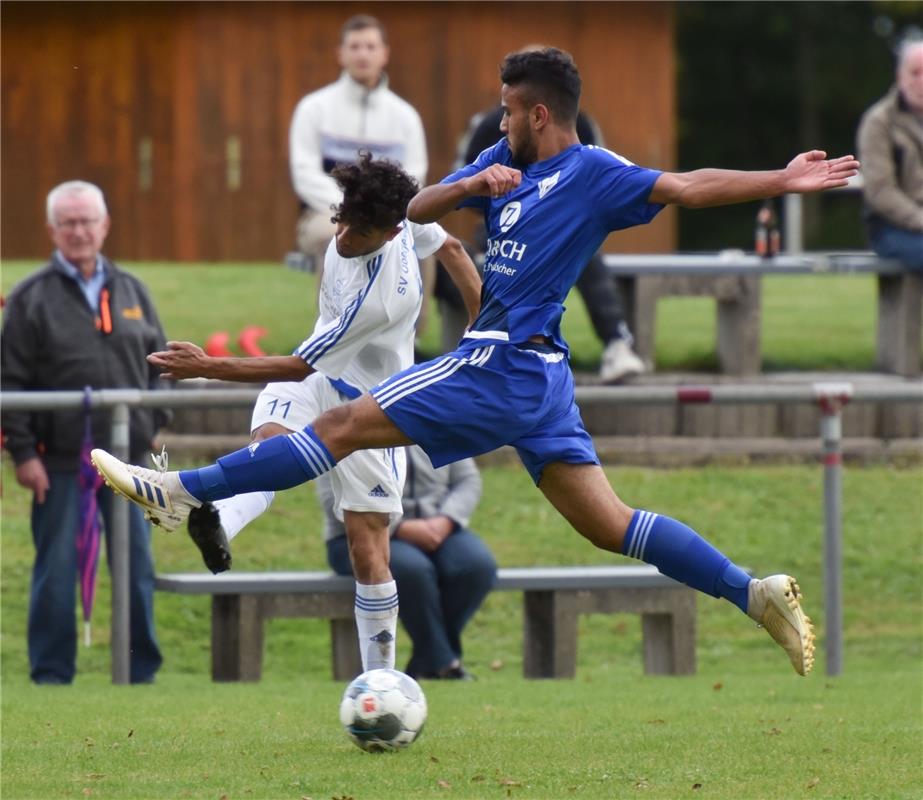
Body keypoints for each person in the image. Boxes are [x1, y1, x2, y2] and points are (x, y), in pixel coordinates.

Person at [92, 48, 862, 677]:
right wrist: (474, 180)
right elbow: (418, 210)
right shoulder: (505, 160)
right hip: (540, 378)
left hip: (502, 363)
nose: (496, 123)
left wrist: (780, 179)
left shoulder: (594, 174)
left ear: (537, 113)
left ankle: (181, 492)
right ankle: (751, 591)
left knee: (340, 422)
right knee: (609, 524)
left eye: (504, 111)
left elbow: (688, 186)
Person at [139, 155, 481, 673]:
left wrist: (206, 366)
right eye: (341, 219)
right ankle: (214, 518)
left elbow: (299, 365)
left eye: (359, 231)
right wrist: (481, 324)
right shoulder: (399, 217)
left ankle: (379, 681)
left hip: (372, 408)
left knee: (368, 547)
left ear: (389, 234)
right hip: (322, 378)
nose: (342, 237)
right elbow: (452, 247)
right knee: (269, 449)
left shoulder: (381, 299)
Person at [1, 180, 166, 684]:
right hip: (58, 462)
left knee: (136, 569)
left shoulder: (134, 290)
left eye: (87, 221)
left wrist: (158, 427)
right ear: (52, 229)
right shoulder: (30, 297)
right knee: (56, 572)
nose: (79, 231)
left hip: (129, 463)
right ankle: (51, 676)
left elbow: (162, 365)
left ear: (105, 226)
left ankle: (142, 676)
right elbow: (9, 381)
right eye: (68, 222)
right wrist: (24, 455)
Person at [445, 102, 645, 382]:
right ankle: (485, 351)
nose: (506, 125)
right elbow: (454, 188)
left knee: (586, 256)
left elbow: (602, 187)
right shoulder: (490, 125)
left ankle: (616, 344)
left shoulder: (581, 126)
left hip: (563, 228)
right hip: (501, 226)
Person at [289, 14, 436, 331]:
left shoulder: (405, 117)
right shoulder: (314, 108)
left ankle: (409, 337)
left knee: (423, 239)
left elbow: (415, 178)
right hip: (323, 215)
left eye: (370, 46)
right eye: (355, 46)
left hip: (389, 215)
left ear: (384, 53)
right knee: (337, 236)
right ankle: (329, 334)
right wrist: (353, 211)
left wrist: (381, 213)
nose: (362, 54)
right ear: (340, 54)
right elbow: (305, 175)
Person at [318, 445, 496, 681]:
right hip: (358, 535)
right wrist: (401, 527)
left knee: (476, 565)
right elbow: (333, 496)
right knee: (413, 572)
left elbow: (468, 480)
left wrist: (445, 520)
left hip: (438, 527)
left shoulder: (439, 420)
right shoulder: (349, 423)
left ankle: (428, 661)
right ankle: (443, 665)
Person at [856, 37, 923, 271]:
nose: (921, 81)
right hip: (892, 227)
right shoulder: (878, 122)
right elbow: (880, 191)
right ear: (899, 78)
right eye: (915, 73)